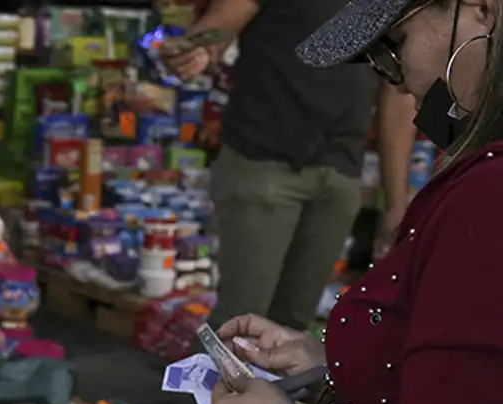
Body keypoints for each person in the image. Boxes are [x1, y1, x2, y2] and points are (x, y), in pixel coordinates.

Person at [209, 0, 503, 404]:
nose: (392, 79)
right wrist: (335, 364)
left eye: (393, 43)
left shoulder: (488, 203)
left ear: (480, 9)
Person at [162, 0, 418, 331]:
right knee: (240, 323)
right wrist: (198, 47)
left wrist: (397, 202)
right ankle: (210, 383)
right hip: (265, 165)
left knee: (292, 329)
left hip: (340, 173)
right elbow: (221, 23)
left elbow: (399, 92)